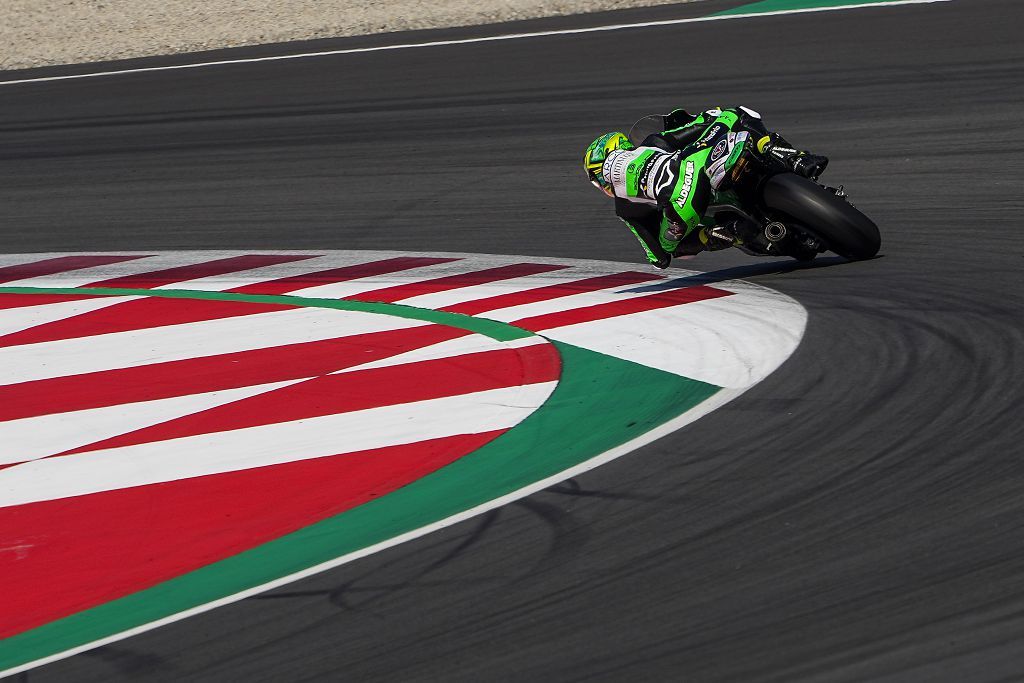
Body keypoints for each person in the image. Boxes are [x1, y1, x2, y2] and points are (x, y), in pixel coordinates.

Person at [583, 106, 829, 269]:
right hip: (697, 164)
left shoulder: (625, 207)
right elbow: (700, 125)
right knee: (739, 115)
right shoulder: (654, 141)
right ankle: (795, 158)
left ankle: (725, 233)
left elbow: (659, 257)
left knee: (671, 243)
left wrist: (695, 239)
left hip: (682, 207)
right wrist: (713, 117)